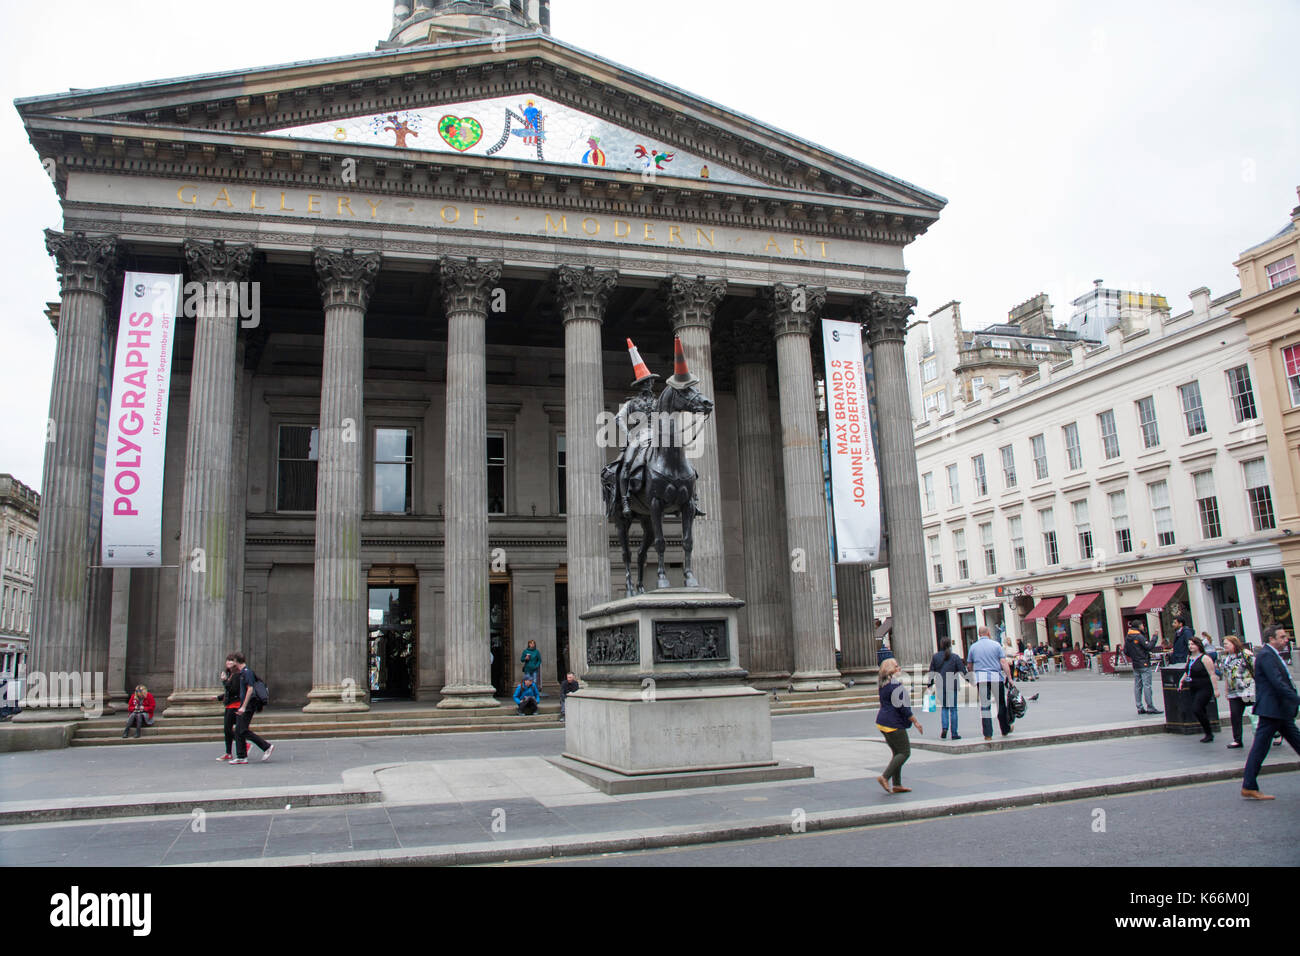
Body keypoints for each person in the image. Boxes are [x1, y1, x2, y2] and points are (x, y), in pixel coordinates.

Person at [1241, 625, 1300, 799]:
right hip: (1272, 710)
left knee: (1296, 742)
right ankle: (1249, 785)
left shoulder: (1271, 654)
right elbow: (1278, 683)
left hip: (1279, 710)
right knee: (1260, 748)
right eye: (1282, 637)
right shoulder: (1266, 655)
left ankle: (1249, 785)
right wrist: (1296, 700)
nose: (1286, 639)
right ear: (1271, 639)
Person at [874, 658, 922, 794]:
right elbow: (904, 708)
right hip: (893, 724)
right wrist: (916, 722)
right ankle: (885, 777)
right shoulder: (896, 686)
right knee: (905, 752)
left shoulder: (883, 685)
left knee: (897, 753)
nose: (899, 668)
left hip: (883, 722)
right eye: (896, 666)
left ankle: (897, 784)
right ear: (890, 670)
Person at [967, 625, 1011, 740]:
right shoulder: (996, 645)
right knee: (1001, 703)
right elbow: (1003, 662)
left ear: (979, 634)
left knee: (985, 706)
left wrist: (972, 675)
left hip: (981, 679)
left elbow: (969, 665)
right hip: (996, 677)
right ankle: (1005, 729)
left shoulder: (973, 647)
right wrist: (1009, 677)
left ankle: (988, 733)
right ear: (988, 633)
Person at [230, 651, 273, 764]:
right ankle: (241, 756)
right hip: (244, 705)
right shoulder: (242, 672)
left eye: (232, 660)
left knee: (243, 730)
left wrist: (243, 706)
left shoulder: (247, 672)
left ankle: (266, 746)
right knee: (239, 730)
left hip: (248, 705)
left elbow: (250, 689)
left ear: (236, 661)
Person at [1181, 635, 1219, 743]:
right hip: (1193, 686)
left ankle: (1209, 732)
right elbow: (1187, 671)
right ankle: (1208, 732)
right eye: (1189, 644)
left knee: (1197, 708)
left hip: (1204, 687)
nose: (1190, 646)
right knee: (1200, 710)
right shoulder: (1190, 658)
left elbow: (1212, 674)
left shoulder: (1205, 658)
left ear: (1198, 645)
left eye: (1192, 644)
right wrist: (1181, 681)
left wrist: (1216, 689)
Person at [1219, 635, 1255, 750]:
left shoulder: (1245, 654)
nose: (1225, 646)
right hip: (1233, 692)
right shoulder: (1226, 658)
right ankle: (1237, 739)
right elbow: (1226, 675)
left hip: (1247, 690)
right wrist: (1226, 690)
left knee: (1256, 713)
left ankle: (1275, 733)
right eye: (1224, 644)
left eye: (1226, 644)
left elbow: (1256, 666)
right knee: (1235, 715)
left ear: (1234, 643)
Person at [927, 637, 968, 740]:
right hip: (952, 685)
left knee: (944, 707)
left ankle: (944, 728)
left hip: (940, 685)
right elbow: (962, 670)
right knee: (953, 709)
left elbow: (931, 671)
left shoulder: (936, 657)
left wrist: (929, 684)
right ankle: (954, 733)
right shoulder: (954, 657)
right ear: (950, 645)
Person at [1124, 620, 1162, 716]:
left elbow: (1126, 651)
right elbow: (1149, 646)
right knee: (1147, 685)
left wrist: (1134, 656)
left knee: (1138, 685)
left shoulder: (1128, 637)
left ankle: (1139, 707)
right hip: (1144, 663)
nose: (1143, 626)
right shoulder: (1139, 636)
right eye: (1142, 625)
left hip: (1135, 664)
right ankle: (1150, 707)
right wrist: (1155, 637)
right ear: (1138, 626)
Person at [216, 656, 243, 760]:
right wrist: (219, 697)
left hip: (234, 705)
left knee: (231, 729)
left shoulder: (236, 675)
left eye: (231, 660)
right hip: (230, 705)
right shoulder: (231, 674)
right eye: (227, 660)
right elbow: (229, 692)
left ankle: (237, 748)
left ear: (235, 663)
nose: (228, 662)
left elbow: (233, 690)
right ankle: (229, 752)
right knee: (228, 729)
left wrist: (224, 681)